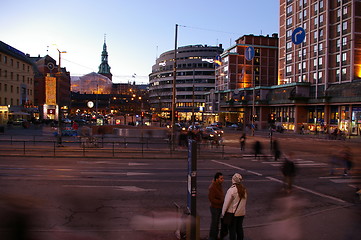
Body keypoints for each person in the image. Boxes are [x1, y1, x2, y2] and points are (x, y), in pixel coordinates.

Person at [221, 173, 247, 240]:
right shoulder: (244, 190)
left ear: (233, 180)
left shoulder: (231, 190)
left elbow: (226, 203)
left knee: (232, 230)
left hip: (233, 214)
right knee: (239, 229)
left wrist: (223, 213)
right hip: (241, 213)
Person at [208, 172, 225, 240]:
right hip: (215, 208)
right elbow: (211, 199)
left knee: (217, 223)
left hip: (219, 207)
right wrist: (221, 201)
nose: (222, 180)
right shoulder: (212, 187)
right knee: (214, 224)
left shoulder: (219, 185)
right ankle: (212, 237)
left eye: (222, 178)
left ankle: (215, 236)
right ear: (216, 179)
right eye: (221, 178)